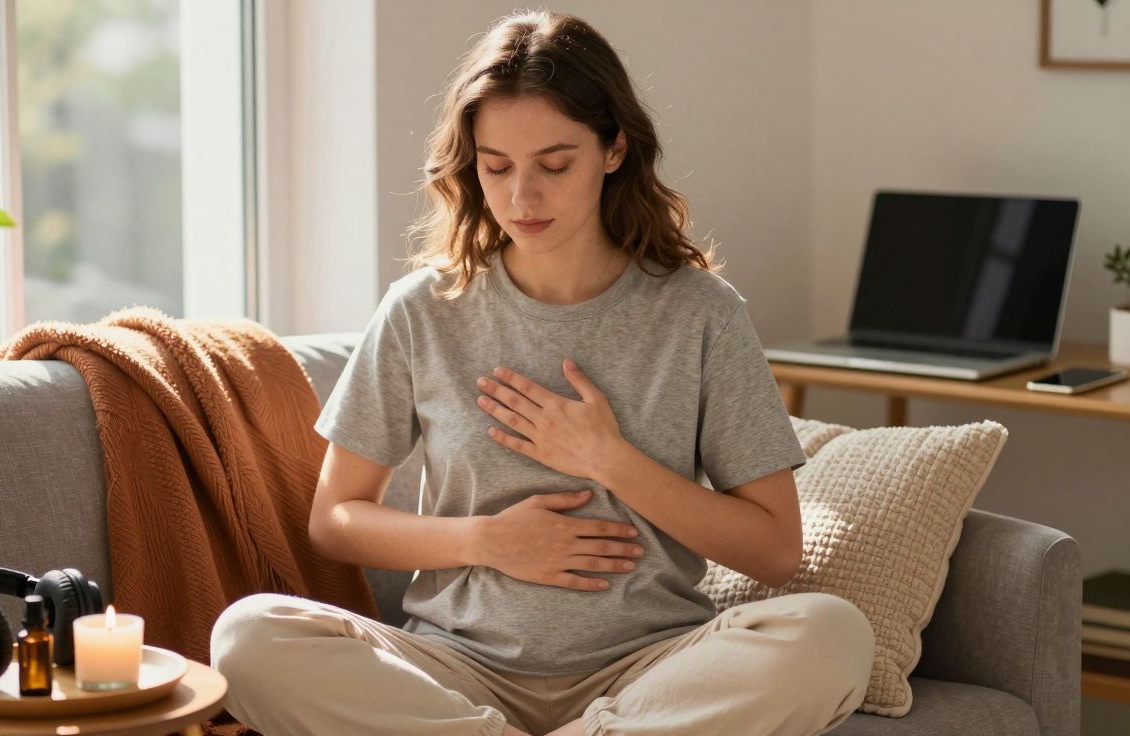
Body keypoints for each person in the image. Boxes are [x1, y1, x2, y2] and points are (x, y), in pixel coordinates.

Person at [211, 10, 875, 736]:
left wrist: (609, 460)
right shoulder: (422, 311)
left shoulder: (700, 314)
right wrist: (482, 541)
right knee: (247, 636)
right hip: (456, 672)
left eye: (554, 165)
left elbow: (774, 551)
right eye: (496, 167)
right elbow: (334, 521)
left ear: (614, 149)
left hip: (651, 671)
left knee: (832, 634)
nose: (522, 198)